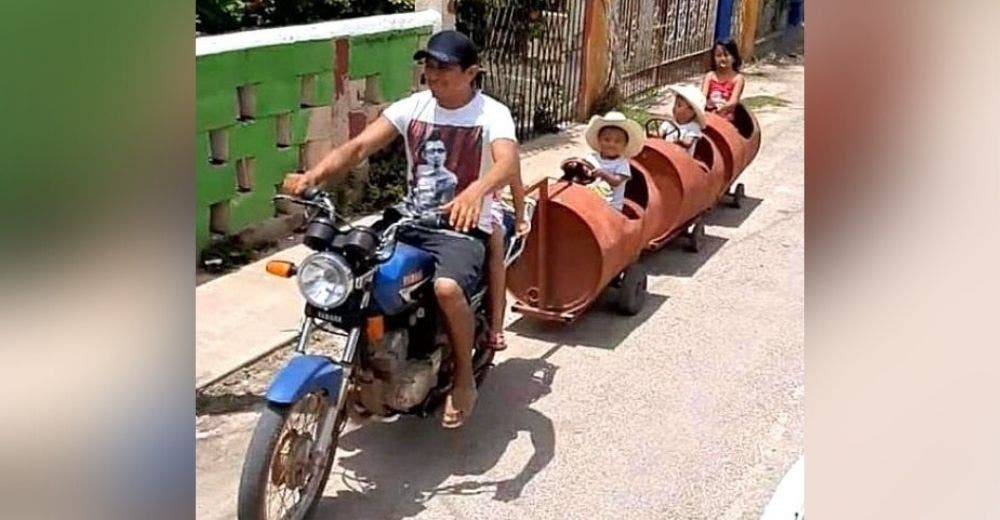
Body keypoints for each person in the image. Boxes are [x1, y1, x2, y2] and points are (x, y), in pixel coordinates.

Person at [282, 30, 519, 429]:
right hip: (410, 219)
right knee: (353, 271)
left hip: (462, 225)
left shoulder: (491, 114)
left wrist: (475, 192)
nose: (433, 74)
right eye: (428, 65)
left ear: (471, 72)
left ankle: (463, 380)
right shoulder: (413, 107)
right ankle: (368, 363)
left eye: (444, 67)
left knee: (446, 288)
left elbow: (506, 162)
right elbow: (359, 148)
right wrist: (313, 176)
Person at [486, 174, 528, 352]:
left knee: (495, 246)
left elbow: (513, 177)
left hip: (485, 207)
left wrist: (520, 217)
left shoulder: (495, 147)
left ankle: (496, 326)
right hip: (438, 205)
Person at [579, 111, 645, 211]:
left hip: (612, 208)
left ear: (624, 145)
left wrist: (604, 174)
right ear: (599, 140)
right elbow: (582, 170)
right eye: (607, 140)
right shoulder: (591, 158)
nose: (611, 144)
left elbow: (616, 181)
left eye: (617, 141)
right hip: (590, 203)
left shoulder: (622, 164)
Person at [702, 39, 746, 122]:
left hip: (727, 115)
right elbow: (702, 97)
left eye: (726, 55)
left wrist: (720, 110)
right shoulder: (710, 76)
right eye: (718, 55)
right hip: (708, 113)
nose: (722, 59)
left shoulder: (738, 78)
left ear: (734, 58)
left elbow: (733, 101)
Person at [658, 84, 707, 156]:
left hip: (682, 158)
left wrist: (681, 142)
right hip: (667, 154)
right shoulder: (669, 123)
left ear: (690, 112)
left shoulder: (693, 127)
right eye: (674, 104)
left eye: (679, 105)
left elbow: (688, 142)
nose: (674, 107)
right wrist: (657, 136)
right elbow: (659, 133)